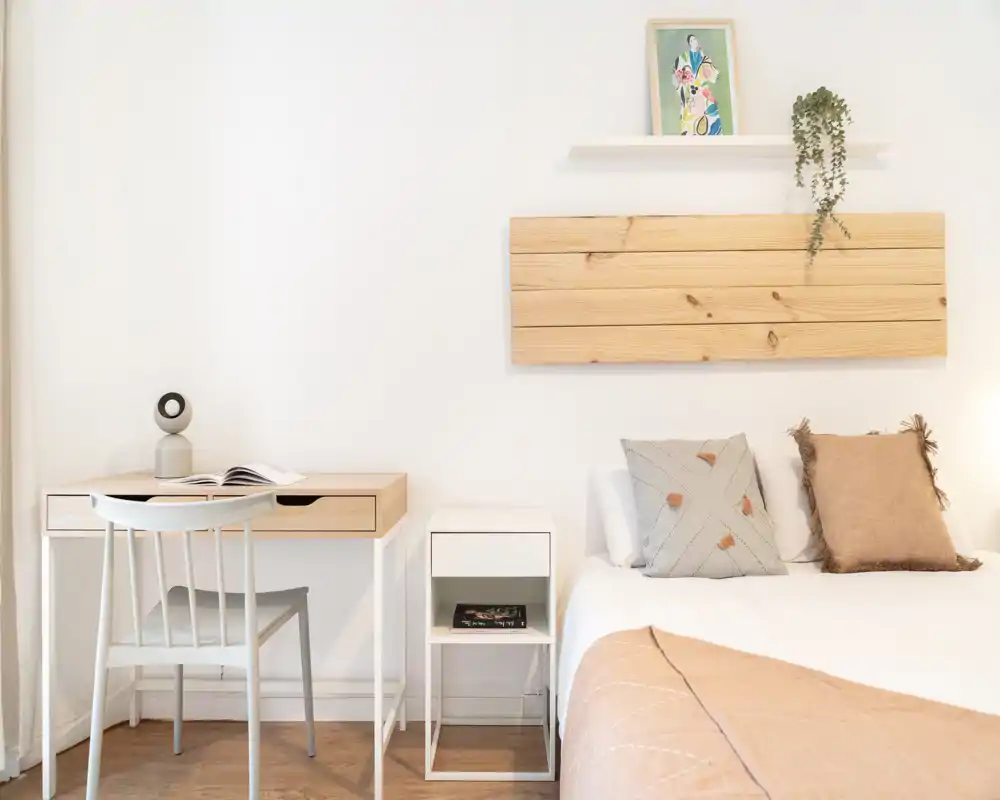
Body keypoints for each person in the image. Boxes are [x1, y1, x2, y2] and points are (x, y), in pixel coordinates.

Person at [671, 33, 723, 135]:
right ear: (689, 43)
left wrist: (703, 58)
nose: (694, 42)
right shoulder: (683, 58)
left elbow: (713, 76)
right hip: (689, 93)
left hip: (703, 93)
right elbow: (676, 75)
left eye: (695, 40)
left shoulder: (704, 58)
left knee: (710, 117)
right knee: (689, 120)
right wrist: (682, 80)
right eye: (692, 40)